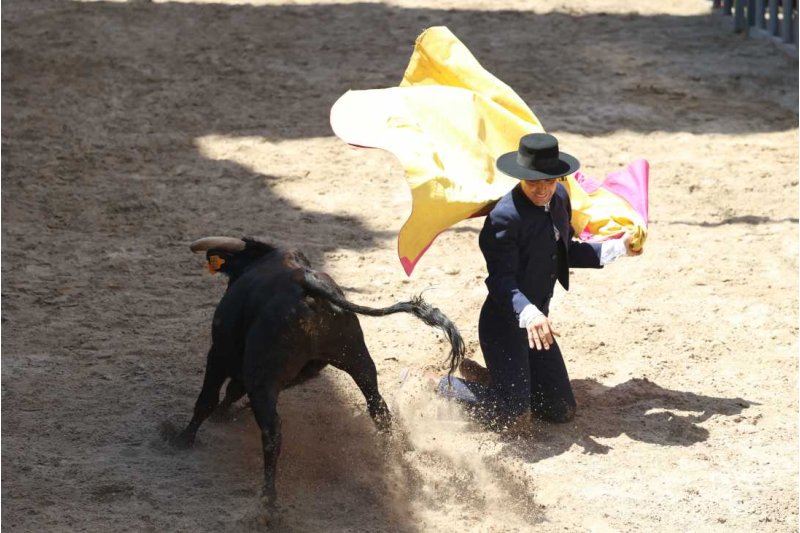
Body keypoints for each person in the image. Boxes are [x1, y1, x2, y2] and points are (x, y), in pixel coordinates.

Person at [435, 132, 642, 433]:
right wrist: (529, 313)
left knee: (560, 409)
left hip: (537, 327)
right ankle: (437, 385)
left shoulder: (560, 199)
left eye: (550, 180)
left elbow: (563, 253)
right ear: (521, 177)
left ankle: (495, 381)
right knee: (513, 415)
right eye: (535, 182)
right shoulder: (503, 219)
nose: (543, 189)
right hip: (506, 326)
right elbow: (501, 281)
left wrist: (618, 248)